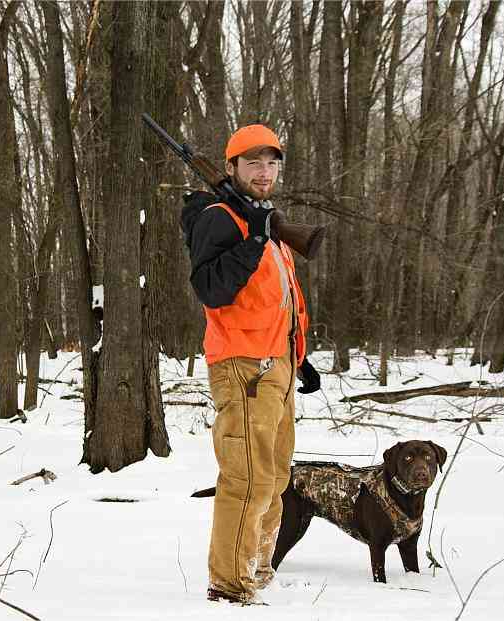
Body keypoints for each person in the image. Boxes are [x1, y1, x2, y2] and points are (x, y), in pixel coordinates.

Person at [180, 124, 320, 605]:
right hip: (243, 367)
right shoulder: (222, 219)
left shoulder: (266, 224)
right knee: (246, 477)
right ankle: (229, 585)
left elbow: (278, 300)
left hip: (276, 363)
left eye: (272, 162)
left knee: (276, 476)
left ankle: (258, 569)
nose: (265, 171)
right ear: (233, 167)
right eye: (253, 162)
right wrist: (254, 240)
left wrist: (299, 357)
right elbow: (212, 290)